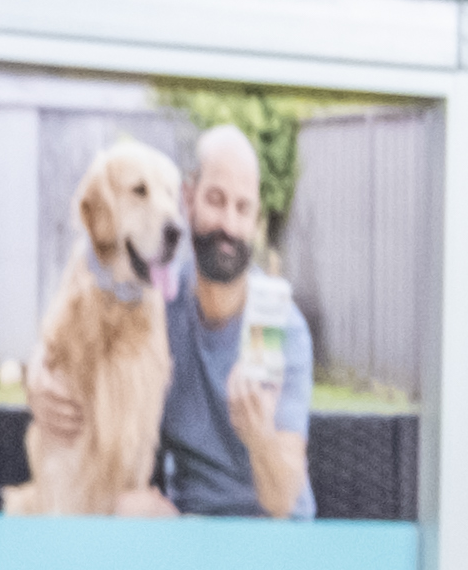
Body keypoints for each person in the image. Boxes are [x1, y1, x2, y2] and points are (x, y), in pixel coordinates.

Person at [32, 120, 312, 524]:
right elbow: (85, 298)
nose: (229, 225)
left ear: (255, 220)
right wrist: (40, 371)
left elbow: (284, 500)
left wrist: (260, 437)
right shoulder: (158, 299)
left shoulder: (281, 325)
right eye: (216, 200)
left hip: (269, 534)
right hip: (185, 528)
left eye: (243, 208)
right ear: (189, 198)